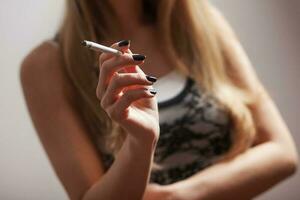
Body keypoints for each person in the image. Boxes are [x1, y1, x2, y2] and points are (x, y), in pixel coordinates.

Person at [20, 0, 298, 200]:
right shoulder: (47, 66)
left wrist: (178, 196)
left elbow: (282, 153)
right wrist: (140, 143)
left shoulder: (204, 27)